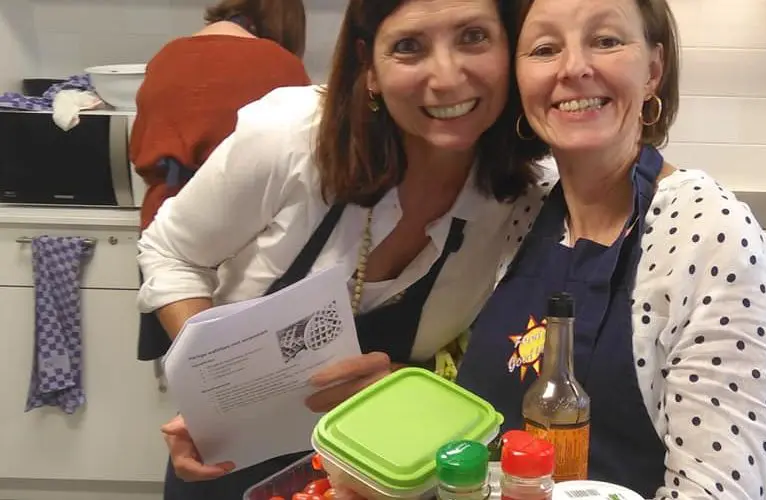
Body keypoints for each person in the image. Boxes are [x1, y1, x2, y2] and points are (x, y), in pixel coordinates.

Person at [138, 0, 548, 496]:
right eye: (408, 46)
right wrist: (213, 386)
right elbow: (172, 252)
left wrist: (399, 381)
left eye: (473, 37)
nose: (445, 78)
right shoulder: (292, 139)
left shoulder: (525, 201)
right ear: (369, 68)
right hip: (235, 460)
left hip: (386, 471)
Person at [457, 0, 766, 498]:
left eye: (606, 41)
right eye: (545, 49)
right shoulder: (519, 214)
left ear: (653, 71)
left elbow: (715, 490)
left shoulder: (712, 237)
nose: (574, 68)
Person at [132, 0, 310, 361]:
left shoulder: (166, 57)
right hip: (241, 238)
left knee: (185, 358)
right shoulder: (280, 65)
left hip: (165, 226)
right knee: (251, 362)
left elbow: (140, 151)